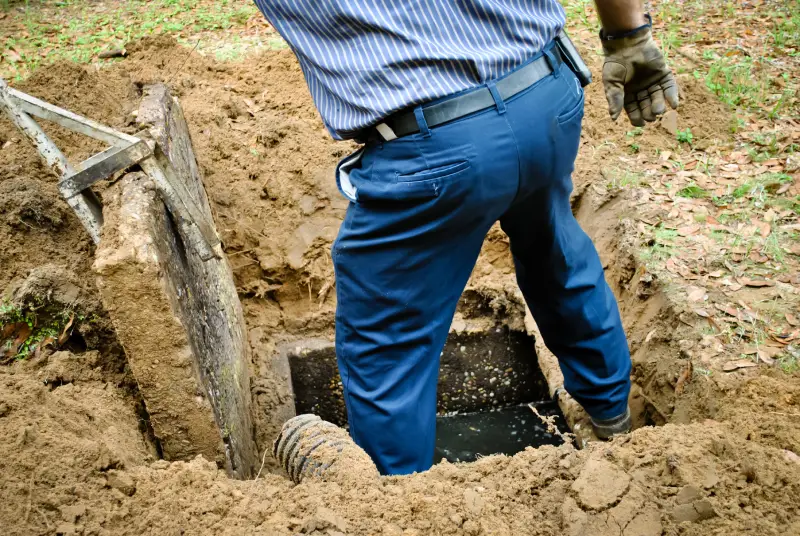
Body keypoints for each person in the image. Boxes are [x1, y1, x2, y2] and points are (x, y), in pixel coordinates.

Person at [253, 0, 679, 476]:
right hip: (545, 95)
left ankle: (399, 503)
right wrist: (630, 36)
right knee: (555, 254)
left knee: (387, 339)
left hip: (433, 150)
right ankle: (614, 424)